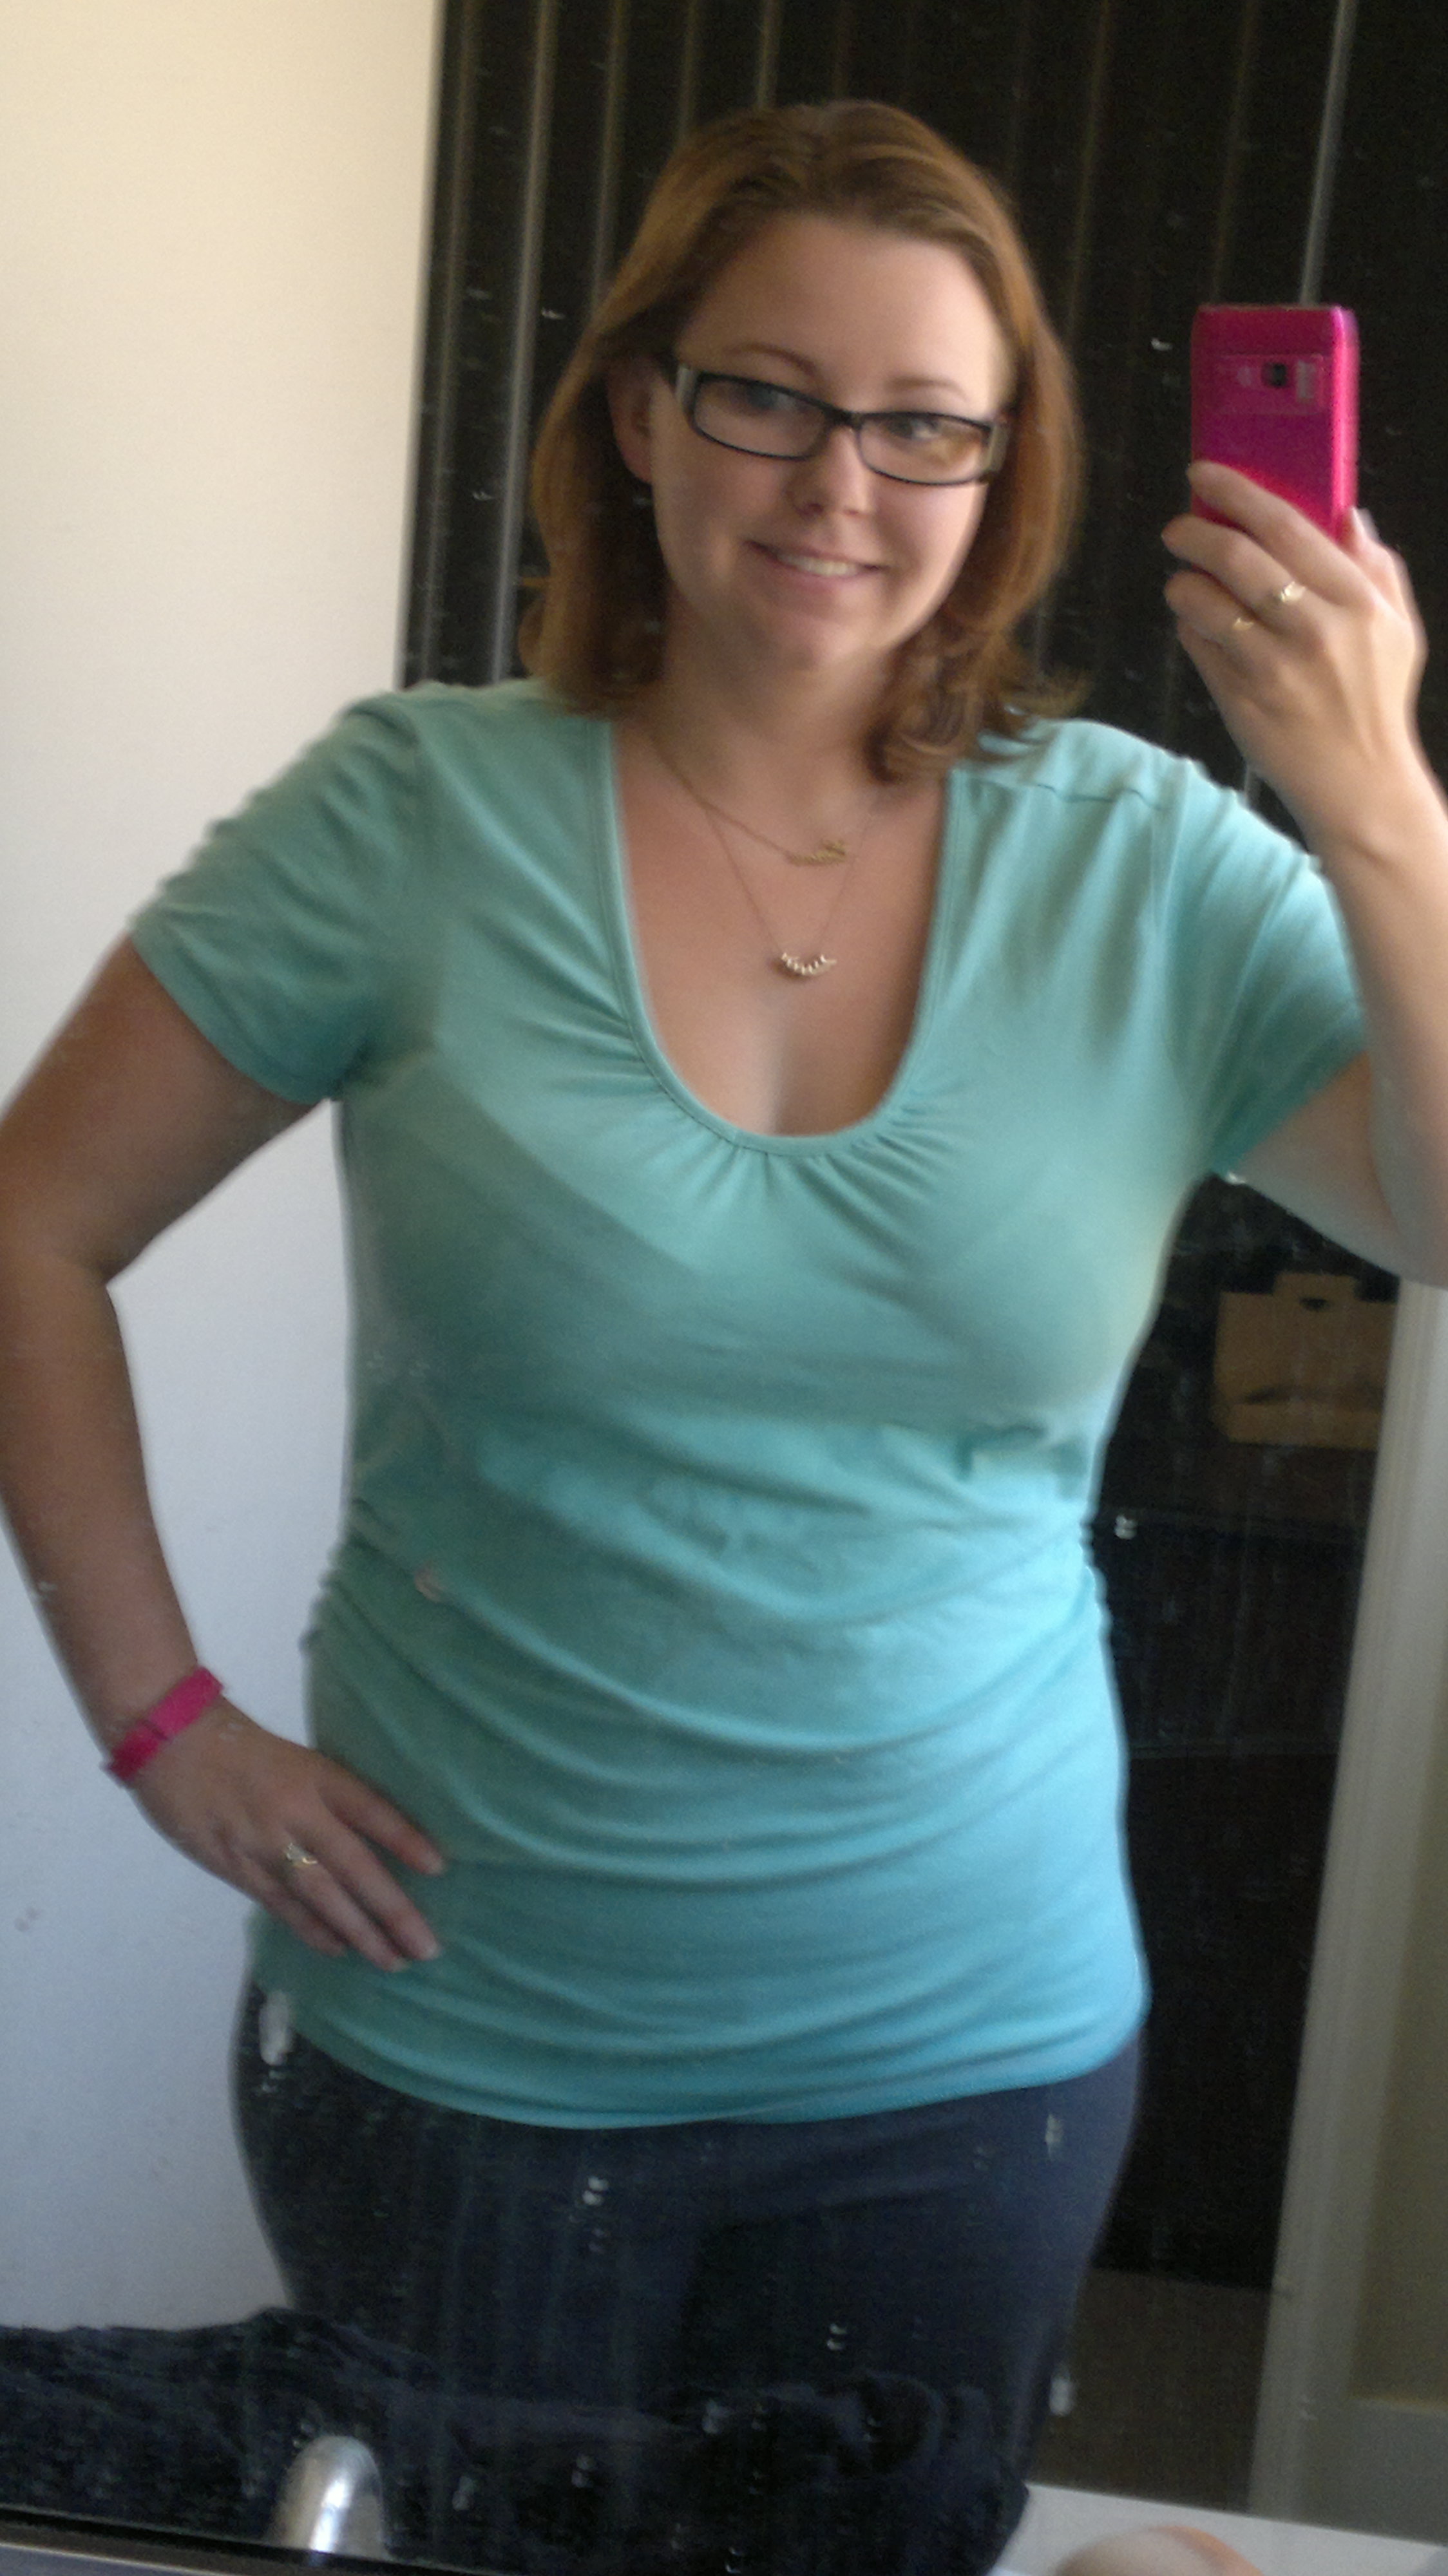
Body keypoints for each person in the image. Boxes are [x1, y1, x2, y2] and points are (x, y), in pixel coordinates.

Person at [2, 97, 1447, 2510]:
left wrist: (1377, 798)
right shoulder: (409, 817)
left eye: (923, 424)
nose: (837, 484)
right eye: (767, 394)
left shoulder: (1150, 868)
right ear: (642, 409)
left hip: (969, 2068)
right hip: (462, 2055)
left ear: (1003, 471)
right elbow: (29, 1225)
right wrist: (162, 1726)